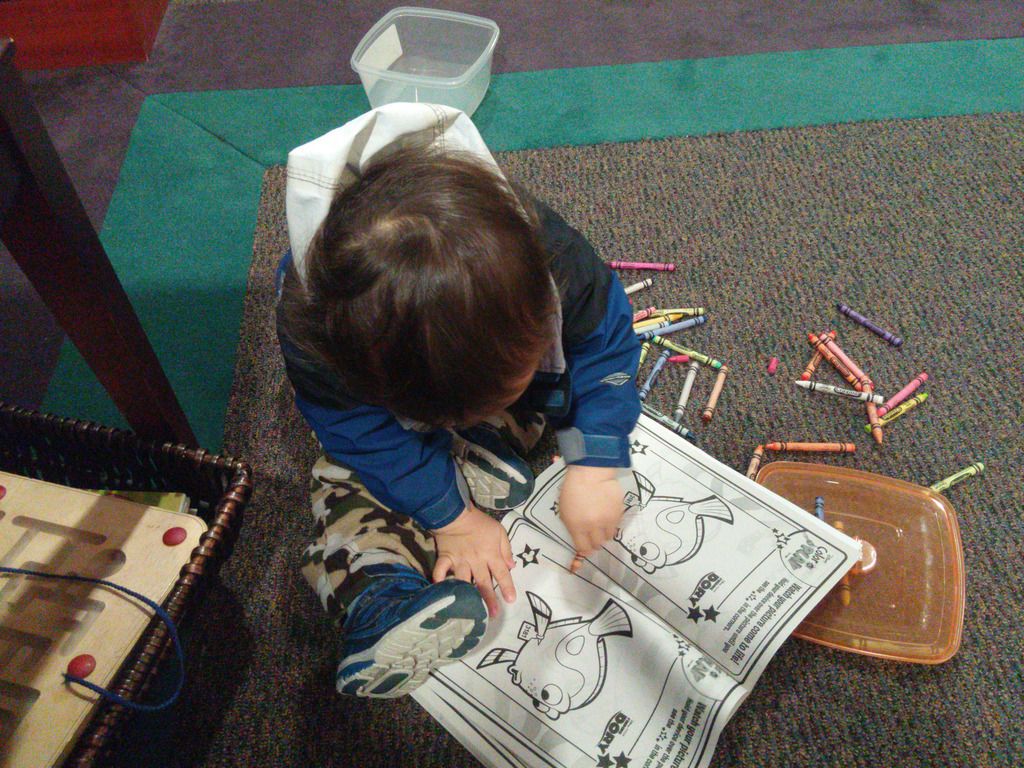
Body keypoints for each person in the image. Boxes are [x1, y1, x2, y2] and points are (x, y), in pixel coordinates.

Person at [276, 103, 641, 698]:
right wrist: (450, 518)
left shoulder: (554, 262)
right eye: (450, 417)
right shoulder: (321, 330)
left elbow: (606, 351)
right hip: (385, 426)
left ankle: (479, 445)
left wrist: (596, 462)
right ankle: (376, 597)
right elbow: (363, 435)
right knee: (351, 474)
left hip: (481, 380)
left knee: (549, 399)